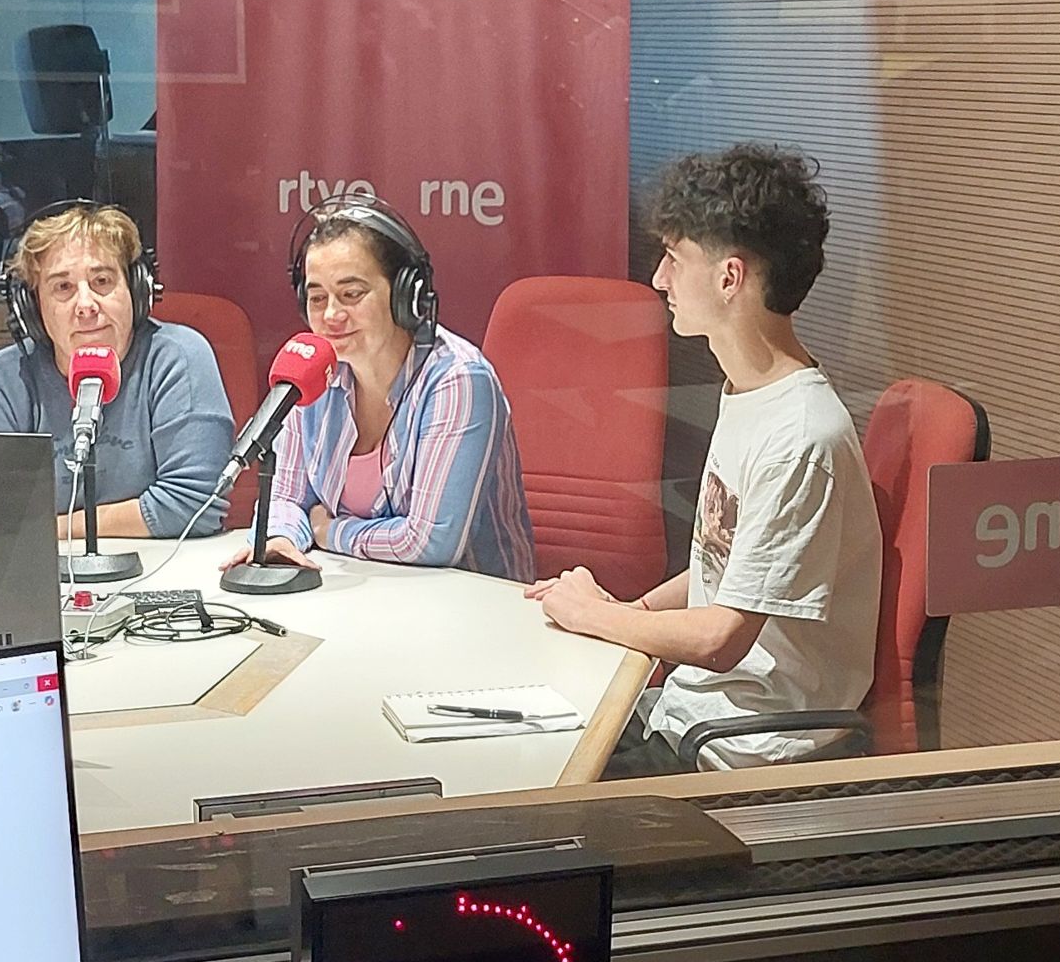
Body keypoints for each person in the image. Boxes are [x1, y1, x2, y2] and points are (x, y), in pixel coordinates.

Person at [535, 145, 880, 772]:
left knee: (525, 788)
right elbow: (725, 564)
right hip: (691, 714)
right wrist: (630, 612)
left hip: (740, 747)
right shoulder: (751, 392)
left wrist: (593, 616)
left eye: (674, 257)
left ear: (729, 277)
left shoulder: (801, 436)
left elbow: (721, 639)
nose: (658, 279)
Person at [255, 200, 536, 580]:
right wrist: (282, 538)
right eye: (317, 298)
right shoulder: (312, 371)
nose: (331, 315)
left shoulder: (458, 380)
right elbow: (285, 498)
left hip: (468, 599)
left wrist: (328, 531)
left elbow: (432, 542)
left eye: (352, 294)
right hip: (360, 591)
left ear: (406, 295)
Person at [0, 202, 236, 542]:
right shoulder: (6, 380)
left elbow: (194, 504)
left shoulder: (178, 358)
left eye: (102, 281)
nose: (86, 305)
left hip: (165, 567)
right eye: (63, 287)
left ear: (136, 289)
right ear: (31, 306)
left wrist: (50, 530)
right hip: (42, 572)